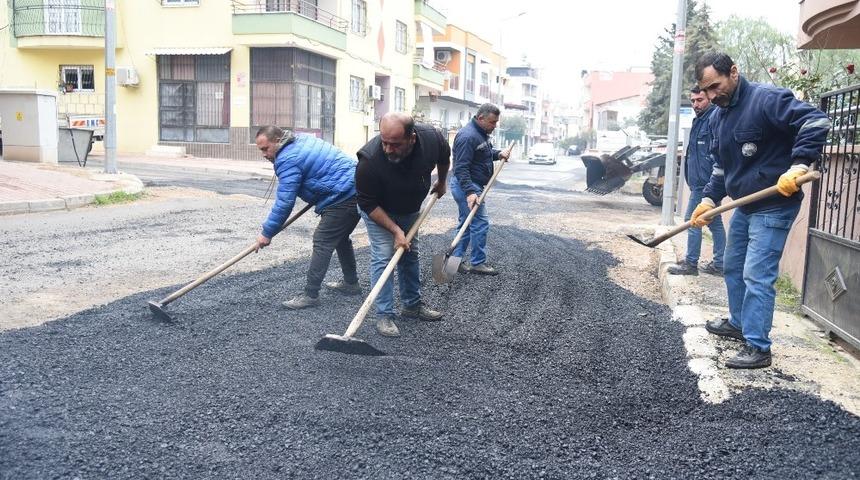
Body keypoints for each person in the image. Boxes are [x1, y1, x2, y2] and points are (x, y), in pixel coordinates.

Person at [691, 52, 830, 369]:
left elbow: (816, 120)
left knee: (757, 274)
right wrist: (710, 200)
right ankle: (739, 322)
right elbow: (722, 167)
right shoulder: (718, 116)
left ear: (734, 73)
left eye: (716, 86)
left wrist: (798, 165)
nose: (712, 96)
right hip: (745, 205)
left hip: (775, 204)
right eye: (707, 91)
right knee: (732, 265)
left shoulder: (766, 99)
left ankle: (758, 346)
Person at [355, 112, 450, 337]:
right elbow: (367, 203)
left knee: (410, 253)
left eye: (395, 144)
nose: (388, 149)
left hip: (409, 209)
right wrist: (396, 230)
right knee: (384, 255)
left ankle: (412, 305)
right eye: (384, 142)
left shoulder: (431, 139)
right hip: (379, 211)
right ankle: (384, 315)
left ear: (412, 138)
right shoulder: (369, 161)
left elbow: (444, 157)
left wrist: (443, 181)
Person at [254, 126, 363, 310]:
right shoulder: (300, 140)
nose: (264, 154)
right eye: (261, 150)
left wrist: (267, 233)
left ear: (278, 141)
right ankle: (351, 284)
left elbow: (284, 203)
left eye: (266, 148)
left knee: (322, 240)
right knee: (340, 238)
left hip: (344, 195)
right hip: (355, 186)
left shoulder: (288, 159)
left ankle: (311, 294)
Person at [667, 87, 726, 277]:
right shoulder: (699, 120)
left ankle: (691, 264)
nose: (695, 104)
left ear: (709, 98)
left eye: (699, 100)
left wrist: (709, 183)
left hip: (705, 183)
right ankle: (720, 264)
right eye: (693, 101)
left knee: (692, 221)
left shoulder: (712, 119)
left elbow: (717, 153)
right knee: (714, 224)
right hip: (700, 182)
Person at [449, 103, 511, 275]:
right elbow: (461, 168)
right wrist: (470, 192)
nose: (494, 126)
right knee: (480, 222)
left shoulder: (480, 134)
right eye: (492, 122)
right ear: (481, 118)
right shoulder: (468, 136)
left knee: (466, 224)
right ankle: (477, 263)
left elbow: (483, 155)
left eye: (496, 122)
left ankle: (454, 262)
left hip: (472, 185)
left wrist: (498, 154)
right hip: (466, 186)